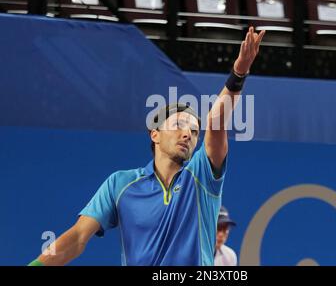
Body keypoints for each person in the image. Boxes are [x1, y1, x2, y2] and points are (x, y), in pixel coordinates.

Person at [28, 26, 265, 266]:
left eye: (194, 132)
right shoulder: (119, 184)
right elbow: (78, 237)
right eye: (179, 125)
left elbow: (215, 123)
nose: (188, 135)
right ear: (155, 134)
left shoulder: (201, 177)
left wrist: (239, 73)